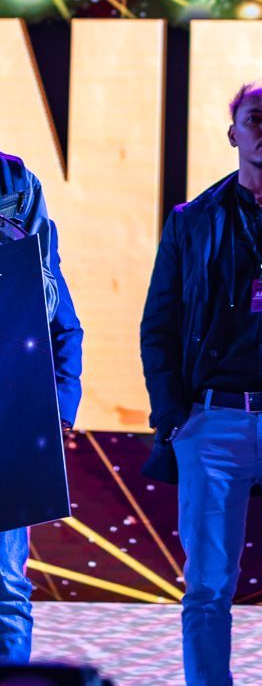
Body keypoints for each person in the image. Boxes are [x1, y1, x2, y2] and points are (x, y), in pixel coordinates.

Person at [141, 82, 262, 686]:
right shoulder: (192, 221)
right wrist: (175, 416)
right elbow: (159, 324)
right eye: (255, 117)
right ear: (233, 133)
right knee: (207, 587)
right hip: (213, 423)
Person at [0, 151, 83, 665]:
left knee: (5, 590)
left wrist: (60, 412)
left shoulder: (15, 181)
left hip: (8, 423)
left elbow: (61, 320)